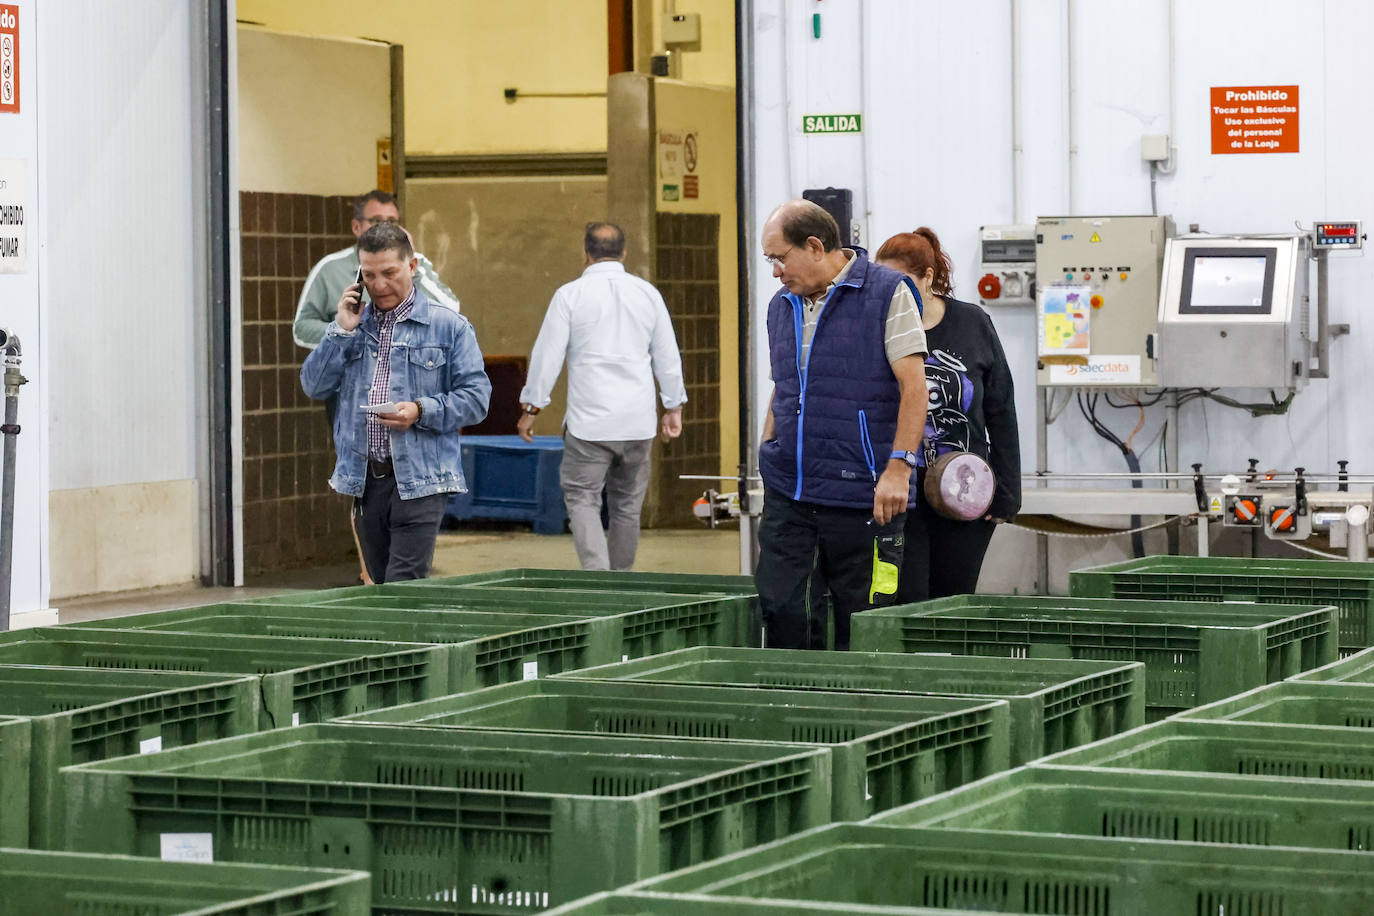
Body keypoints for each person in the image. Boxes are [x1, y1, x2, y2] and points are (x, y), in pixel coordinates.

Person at [755, 200, 929, 650]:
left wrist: (899, 468)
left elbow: (914, 388)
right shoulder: (781, 306)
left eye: (779, 257)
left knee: (865, 625)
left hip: (864, 497)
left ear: (814, 246)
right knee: (783, 612)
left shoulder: (889, 293)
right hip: (790, 495)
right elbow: (785, 385)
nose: (775, 271)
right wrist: (767, 446)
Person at [300, 222, 491, 583]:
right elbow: (313, 384)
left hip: (421, 479)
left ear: (413, 266)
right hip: (365, 480)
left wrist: (420, 410)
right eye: (369, 275)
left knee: (404, 585)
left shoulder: (449, 327)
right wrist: (340, 330)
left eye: (390, 272)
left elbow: (477, 399)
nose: (380, 285)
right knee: (378, 584)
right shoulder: (352, 328)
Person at [517, 222, 687, 571]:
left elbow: (547, 355)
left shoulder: (570, 295)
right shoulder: (648, 294)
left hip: (589, 426)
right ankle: (622, 581)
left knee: (582, 499)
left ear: (585, 255)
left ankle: (598, 580)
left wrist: (532, 407)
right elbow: (668, 356)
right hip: (638, 423)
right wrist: (673, 407)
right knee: (627, 505)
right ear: (624, 253)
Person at [875, 227, 1021, 601]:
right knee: (907, 600)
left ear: (928, 277)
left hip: (964, 488)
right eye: (885, 283)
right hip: (901, 494)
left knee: (953, 601)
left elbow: (1000, 409)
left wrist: (1008, 490)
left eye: (903, 283)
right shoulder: (879, 326)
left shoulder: (972, 323)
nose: (894, 294)